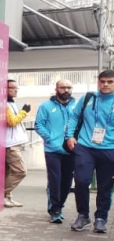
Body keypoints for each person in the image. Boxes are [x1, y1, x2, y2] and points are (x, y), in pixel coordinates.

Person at [65, 70, 114, 233]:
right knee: (82, 181)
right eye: (102, 81)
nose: (105, 84)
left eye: (110, 82)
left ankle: (101, 218)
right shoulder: (88, 98)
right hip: (85, 147)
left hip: (110, 150)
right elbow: (73, 117)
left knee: (105, 186)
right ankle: (83, 215)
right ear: (98, 82)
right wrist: (70, 136)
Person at [35, 79, 76, 223]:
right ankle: (55, 210)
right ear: (56, 89)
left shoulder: (77, 107)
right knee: (55, 180)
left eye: (68, 88)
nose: (66, 90)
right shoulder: (46, 106)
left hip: (71, 150)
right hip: (53, 149)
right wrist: (50, 139)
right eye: (63, 87)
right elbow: (38, 125)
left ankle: (60, 205)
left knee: (66, 181)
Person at [4, 79, 31, 207]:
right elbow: (12, 121)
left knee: (9, 172)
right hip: (11, 145)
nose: (15, 90)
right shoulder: (5, 104)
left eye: (16, 88)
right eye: (12, 87)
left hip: (16, 143)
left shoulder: (11, 102)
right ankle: (0, 194)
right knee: (20, 171)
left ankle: (7, 197)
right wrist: (24, 111)